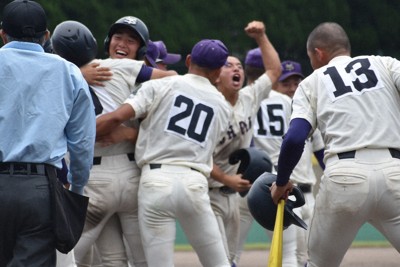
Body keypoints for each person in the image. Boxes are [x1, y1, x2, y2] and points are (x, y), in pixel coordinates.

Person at [271, 22, 400, 267]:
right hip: (395, 172)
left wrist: (281, 182)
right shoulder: (386, 63)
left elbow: (295, 138)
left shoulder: (312, 81)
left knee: (319, 264)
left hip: (345, 177)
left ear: (319, 53)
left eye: (310, 57)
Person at [95, 39, 233, 267]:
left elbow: (117, 117)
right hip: (195, 181)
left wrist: (85, 133)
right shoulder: (223, 106)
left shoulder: (161, 85)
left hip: (155, 180)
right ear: (218, 72)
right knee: (219, 263)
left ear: (189, 60)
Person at [72, 16, 177, 267]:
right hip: (129, 175)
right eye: (118, 37)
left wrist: (75, 72)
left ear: (141, 50)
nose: (122, 43)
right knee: (137, 258)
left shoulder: (82, 69)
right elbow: (173, 76)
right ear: (108, 41)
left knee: (76, 256)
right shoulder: (123, 68)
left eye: (131, 41)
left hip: (95, 176)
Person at [0, 1, 96, 266]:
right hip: (40, 188)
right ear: (46, 36)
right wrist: (76, 189)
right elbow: (83, 144)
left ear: (2, 33)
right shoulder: (69, 72)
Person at [209, 21, 281, 266]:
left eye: (239, 65)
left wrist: (261, 37)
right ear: (216, 75)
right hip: (208, 191)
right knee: (218, 259)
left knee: (229, 259)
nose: (235, 68)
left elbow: (273, 71)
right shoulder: (208, 103)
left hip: (233, 194)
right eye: (228, 66)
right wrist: (228, 179)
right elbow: (197, 157)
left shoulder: (249, 97)